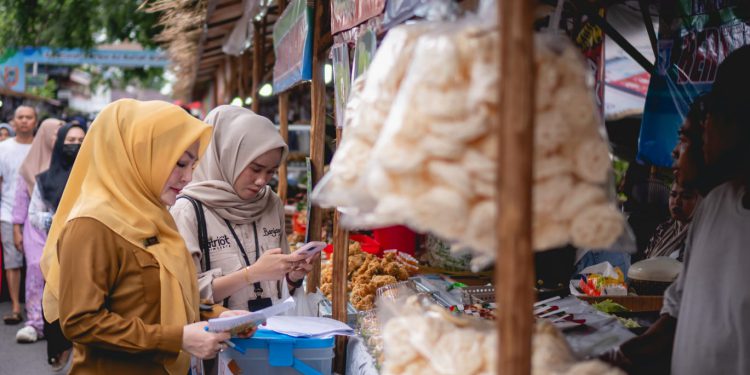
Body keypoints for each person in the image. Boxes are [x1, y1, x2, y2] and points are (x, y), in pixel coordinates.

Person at [40, 99, 241, 374]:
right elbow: (80, 321)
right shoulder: (91, 225)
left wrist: (219, 315)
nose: (187, 178)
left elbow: (166, 294)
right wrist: (178, 338)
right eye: (179, 163)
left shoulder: (154, 215)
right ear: (141, 155)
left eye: (192, 166)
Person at [602, 45, 750, 375]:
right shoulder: (715, 205)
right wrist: (614, 357)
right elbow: (677, 315)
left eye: (715, 114)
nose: (705, 129)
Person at [171, 105, 311, 313]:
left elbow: (278, 290)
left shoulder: (270, 203)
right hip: (217, 341)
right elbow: (185, 294)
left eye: (271, 172)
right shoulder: (188, 211)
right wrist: (251, 274)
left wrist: (292, 277)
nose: (262, 180)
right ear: (227, 156)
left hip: (272, 335)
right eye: (255, 168)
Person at [33, 123, 86, 369]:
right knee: (55, 297)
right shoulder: (45, 179)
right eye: (70, 140)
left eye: (80, 140)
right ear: (60, 143)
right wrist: (57, 220)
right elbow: (35, 214)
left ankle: (85, 351)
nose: (74, 145)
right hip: (56, 250)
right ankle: (60, 348)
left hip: (89, 250)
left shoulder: (95, 175)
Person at [11, 118, 63, 343]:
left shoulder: (68, 164)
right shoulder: (29, 166)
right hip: (35, 230)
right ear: (44, 135)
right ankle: (34, 323)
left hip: (61, 231)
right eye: (56, 134)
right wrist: (16, 228)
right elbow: (20, 200)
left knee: (60, 275)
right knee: (35, 272)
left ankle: (59, 323)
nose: (59, 139)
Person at [0, 105, 37, 325]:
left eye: (28, 117)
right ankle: (16, 306)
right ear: (14, 122)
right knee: (12, 261)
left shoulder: (41, 148)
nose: (24, 121)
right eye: (20, 117)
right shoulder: (3, 148)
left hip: (37, 215)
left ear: (35, 121)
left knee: (36, 262)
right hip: (7, 211)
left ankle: (36, 305)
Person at [642, 182, 701, 260]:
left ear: (699, 202)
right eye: (673, 195)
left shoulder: (700, 237)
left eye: (686, 197)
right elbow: (644, 263)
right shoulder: (663, 229)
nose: (677, 201)